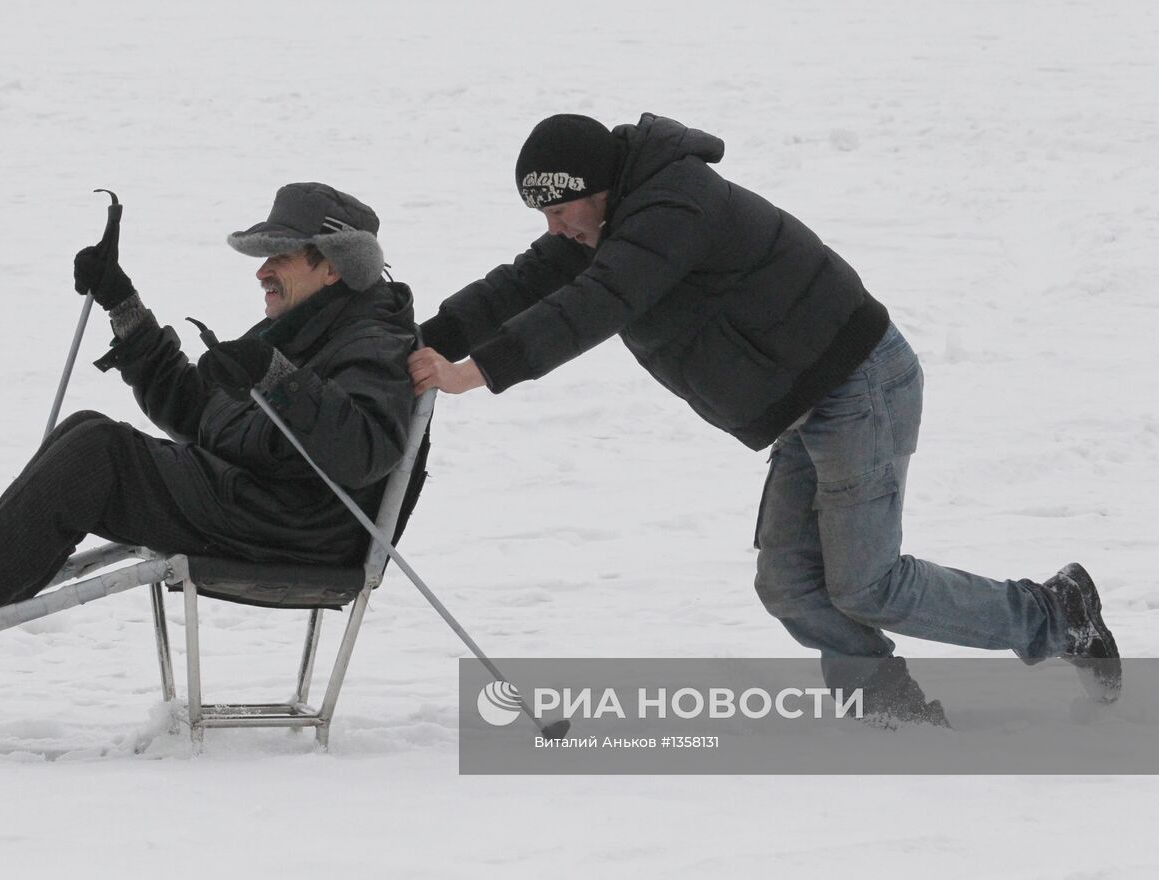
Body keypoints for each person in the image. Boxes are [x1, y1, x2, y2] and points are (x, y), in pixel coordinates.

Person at [407, 113, 1120, 723]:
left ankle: (1059, 614)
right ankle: (883, 705)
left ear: (602, 190)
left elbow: (603, 300)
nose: (554, 229)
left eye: (561, 212)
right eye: (545, 217)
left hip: (858, 384)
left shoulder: (671, 207)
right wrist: (428, 339)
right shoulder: (612, 219)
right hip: (813, 401)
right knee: (787, 581)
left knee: (868, 583)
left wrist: (483, 370)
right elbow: (525, 281)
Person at [0, 182, 418, 651]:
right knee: (87, 432)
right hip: (260, 504)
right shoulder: (300, 328)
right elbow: (197, 410)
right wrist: (122, 302)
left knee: (99, 455)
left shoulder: (373, 340)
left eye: (281, 257)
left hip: (304, 529)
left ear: (335, 267)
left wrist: (276, 376)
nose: (262, 272)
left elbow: (363, 451)